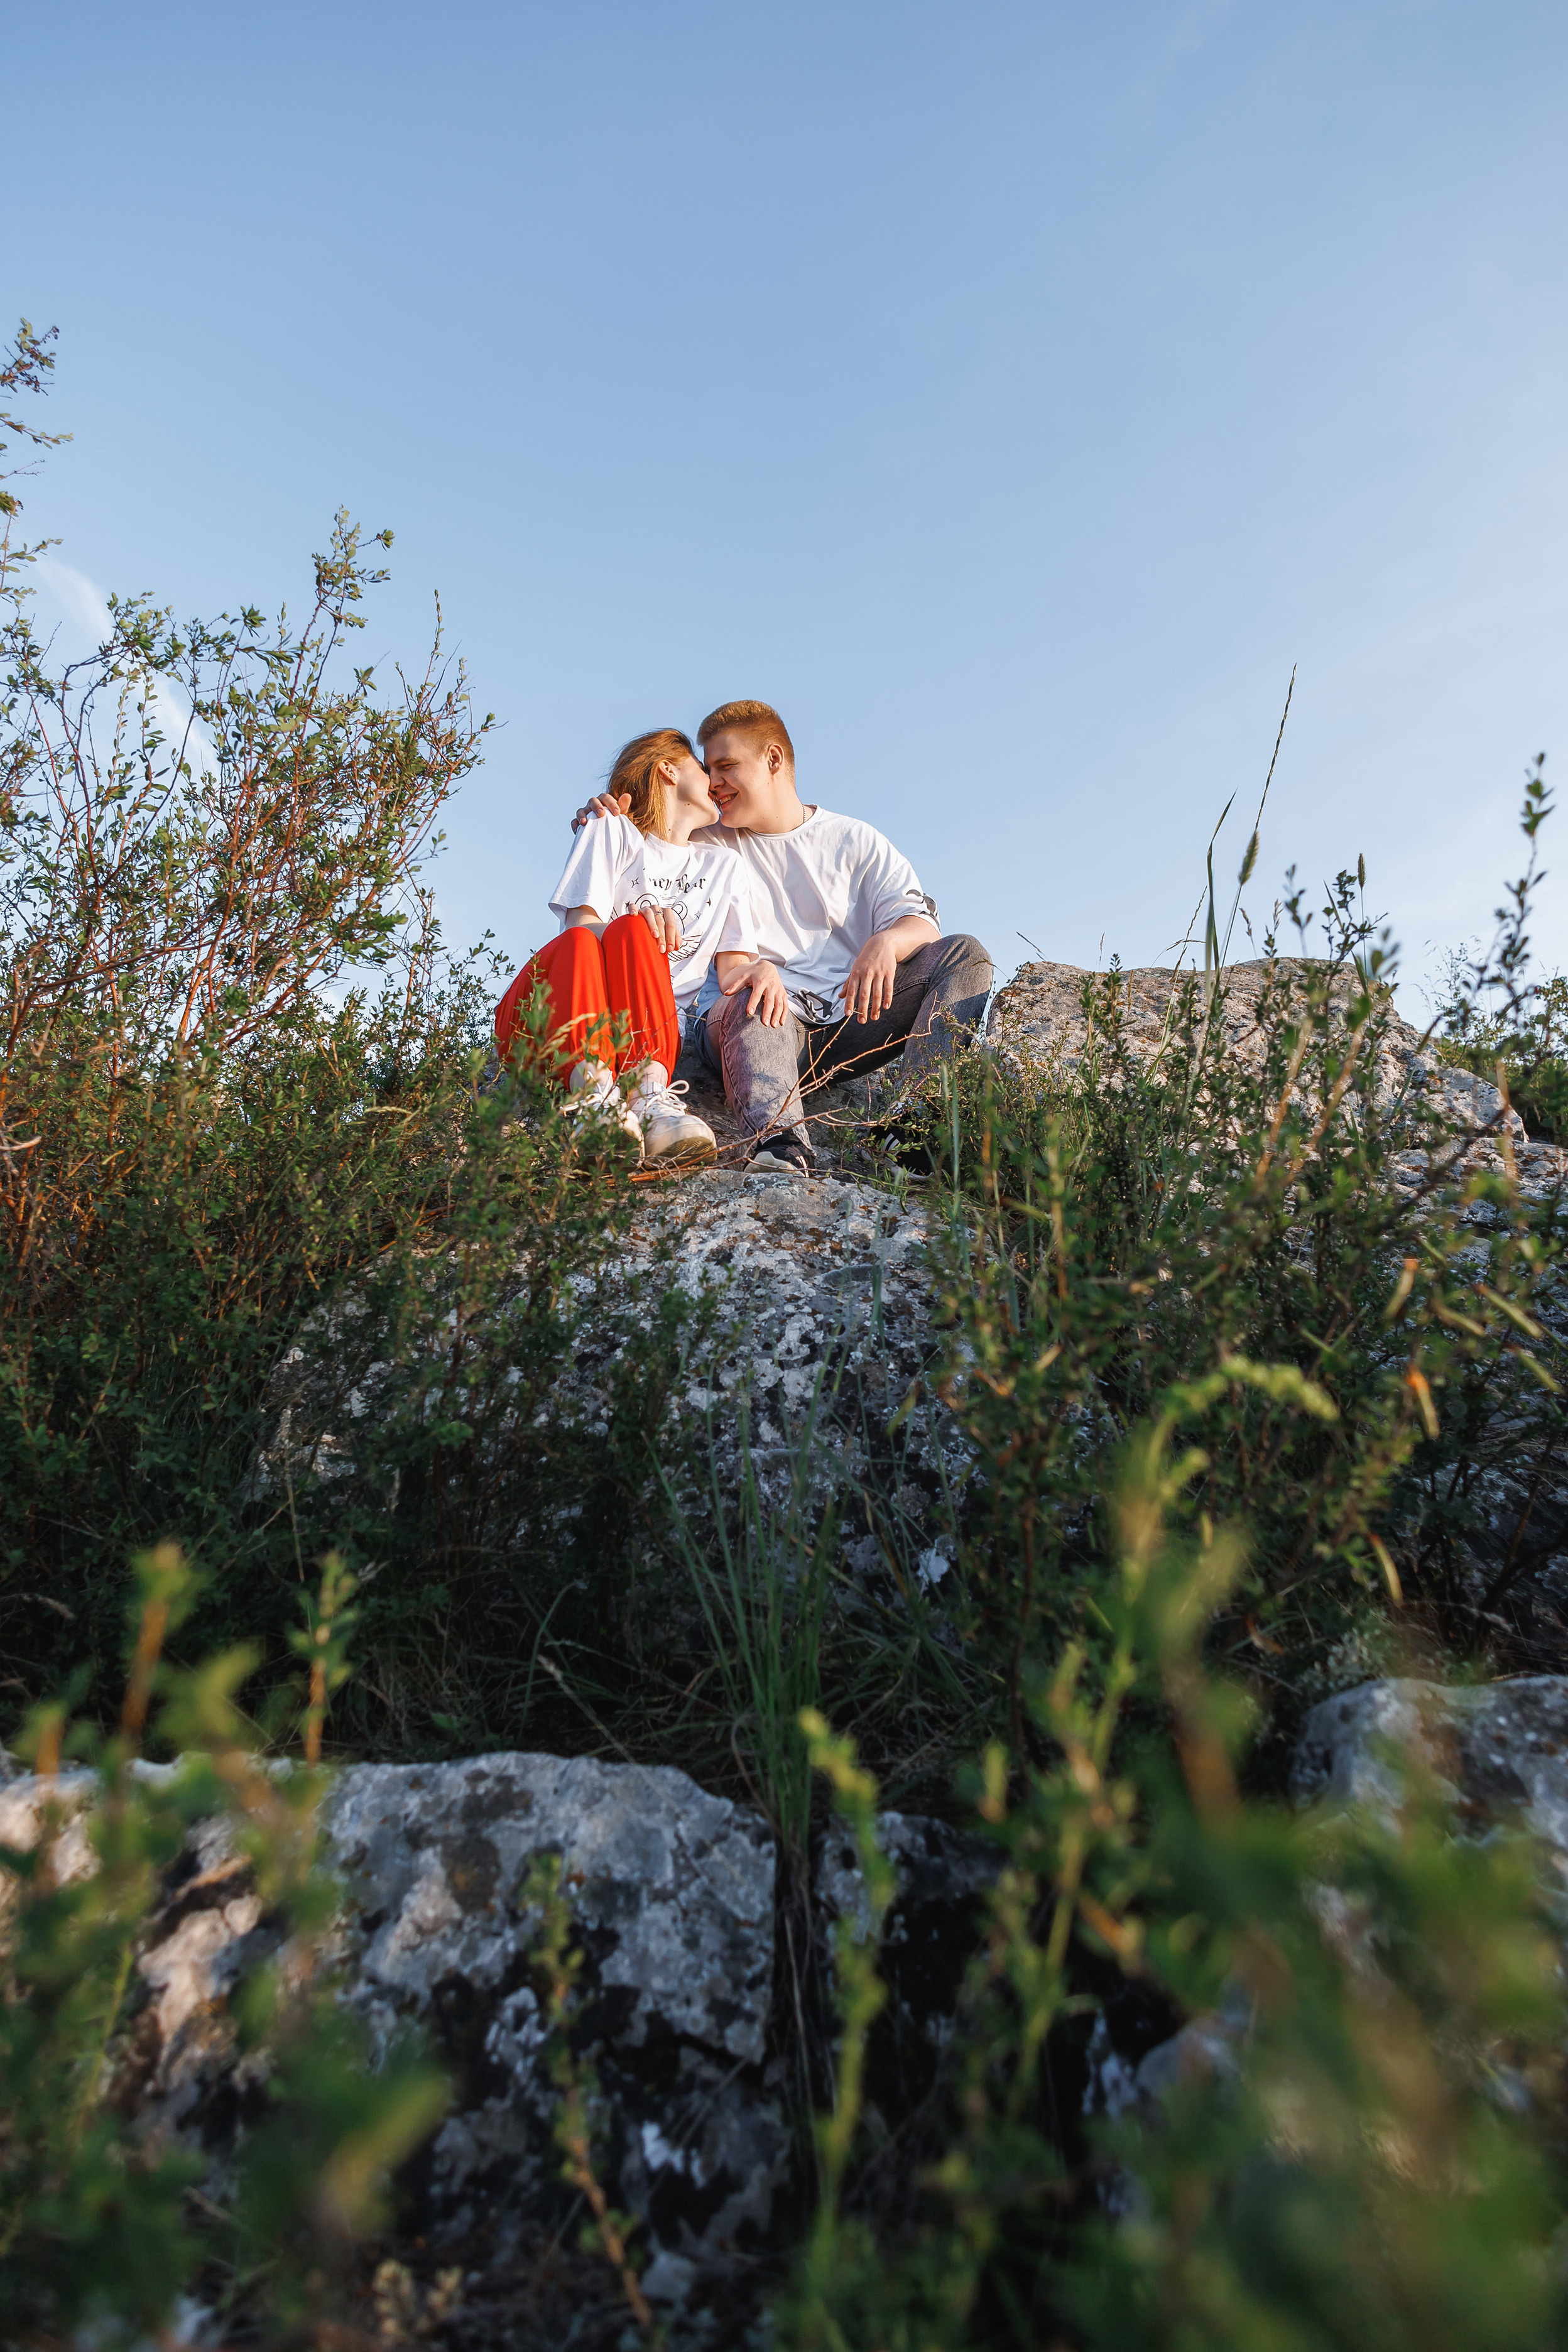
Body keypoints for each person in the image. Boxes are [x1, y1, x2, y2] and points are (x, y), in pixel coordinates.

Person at [574, 700, 993, 1173]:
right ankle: (781, 1143)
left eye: (727, 766)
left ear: (773, 760)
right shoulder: (707, 837)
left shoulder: (856, 840)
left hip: (853, 1019)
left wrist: (886, 943)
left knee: (967, 955)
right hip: (751, 1021)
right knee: (754, 998)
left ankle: (912, 1132)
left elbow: (921, 923)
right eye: (707, 769)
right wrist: (606, 817)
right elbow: (644, 841)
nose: (714, 782)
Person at [499, 727, 787, 1167]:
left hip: (648, 1038)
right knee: (620, 934)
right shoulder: (611, 829)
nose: (714, 781)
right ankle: (593, 1101)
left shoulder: (725, 867)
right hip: (550, 1021)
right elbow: (579, 928)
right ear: (669, 770)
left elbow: (733, 972)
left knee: (635, 932)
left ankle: (648, 1102)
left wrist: (763, 970)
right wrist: (640, 924)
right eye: (703, 768)